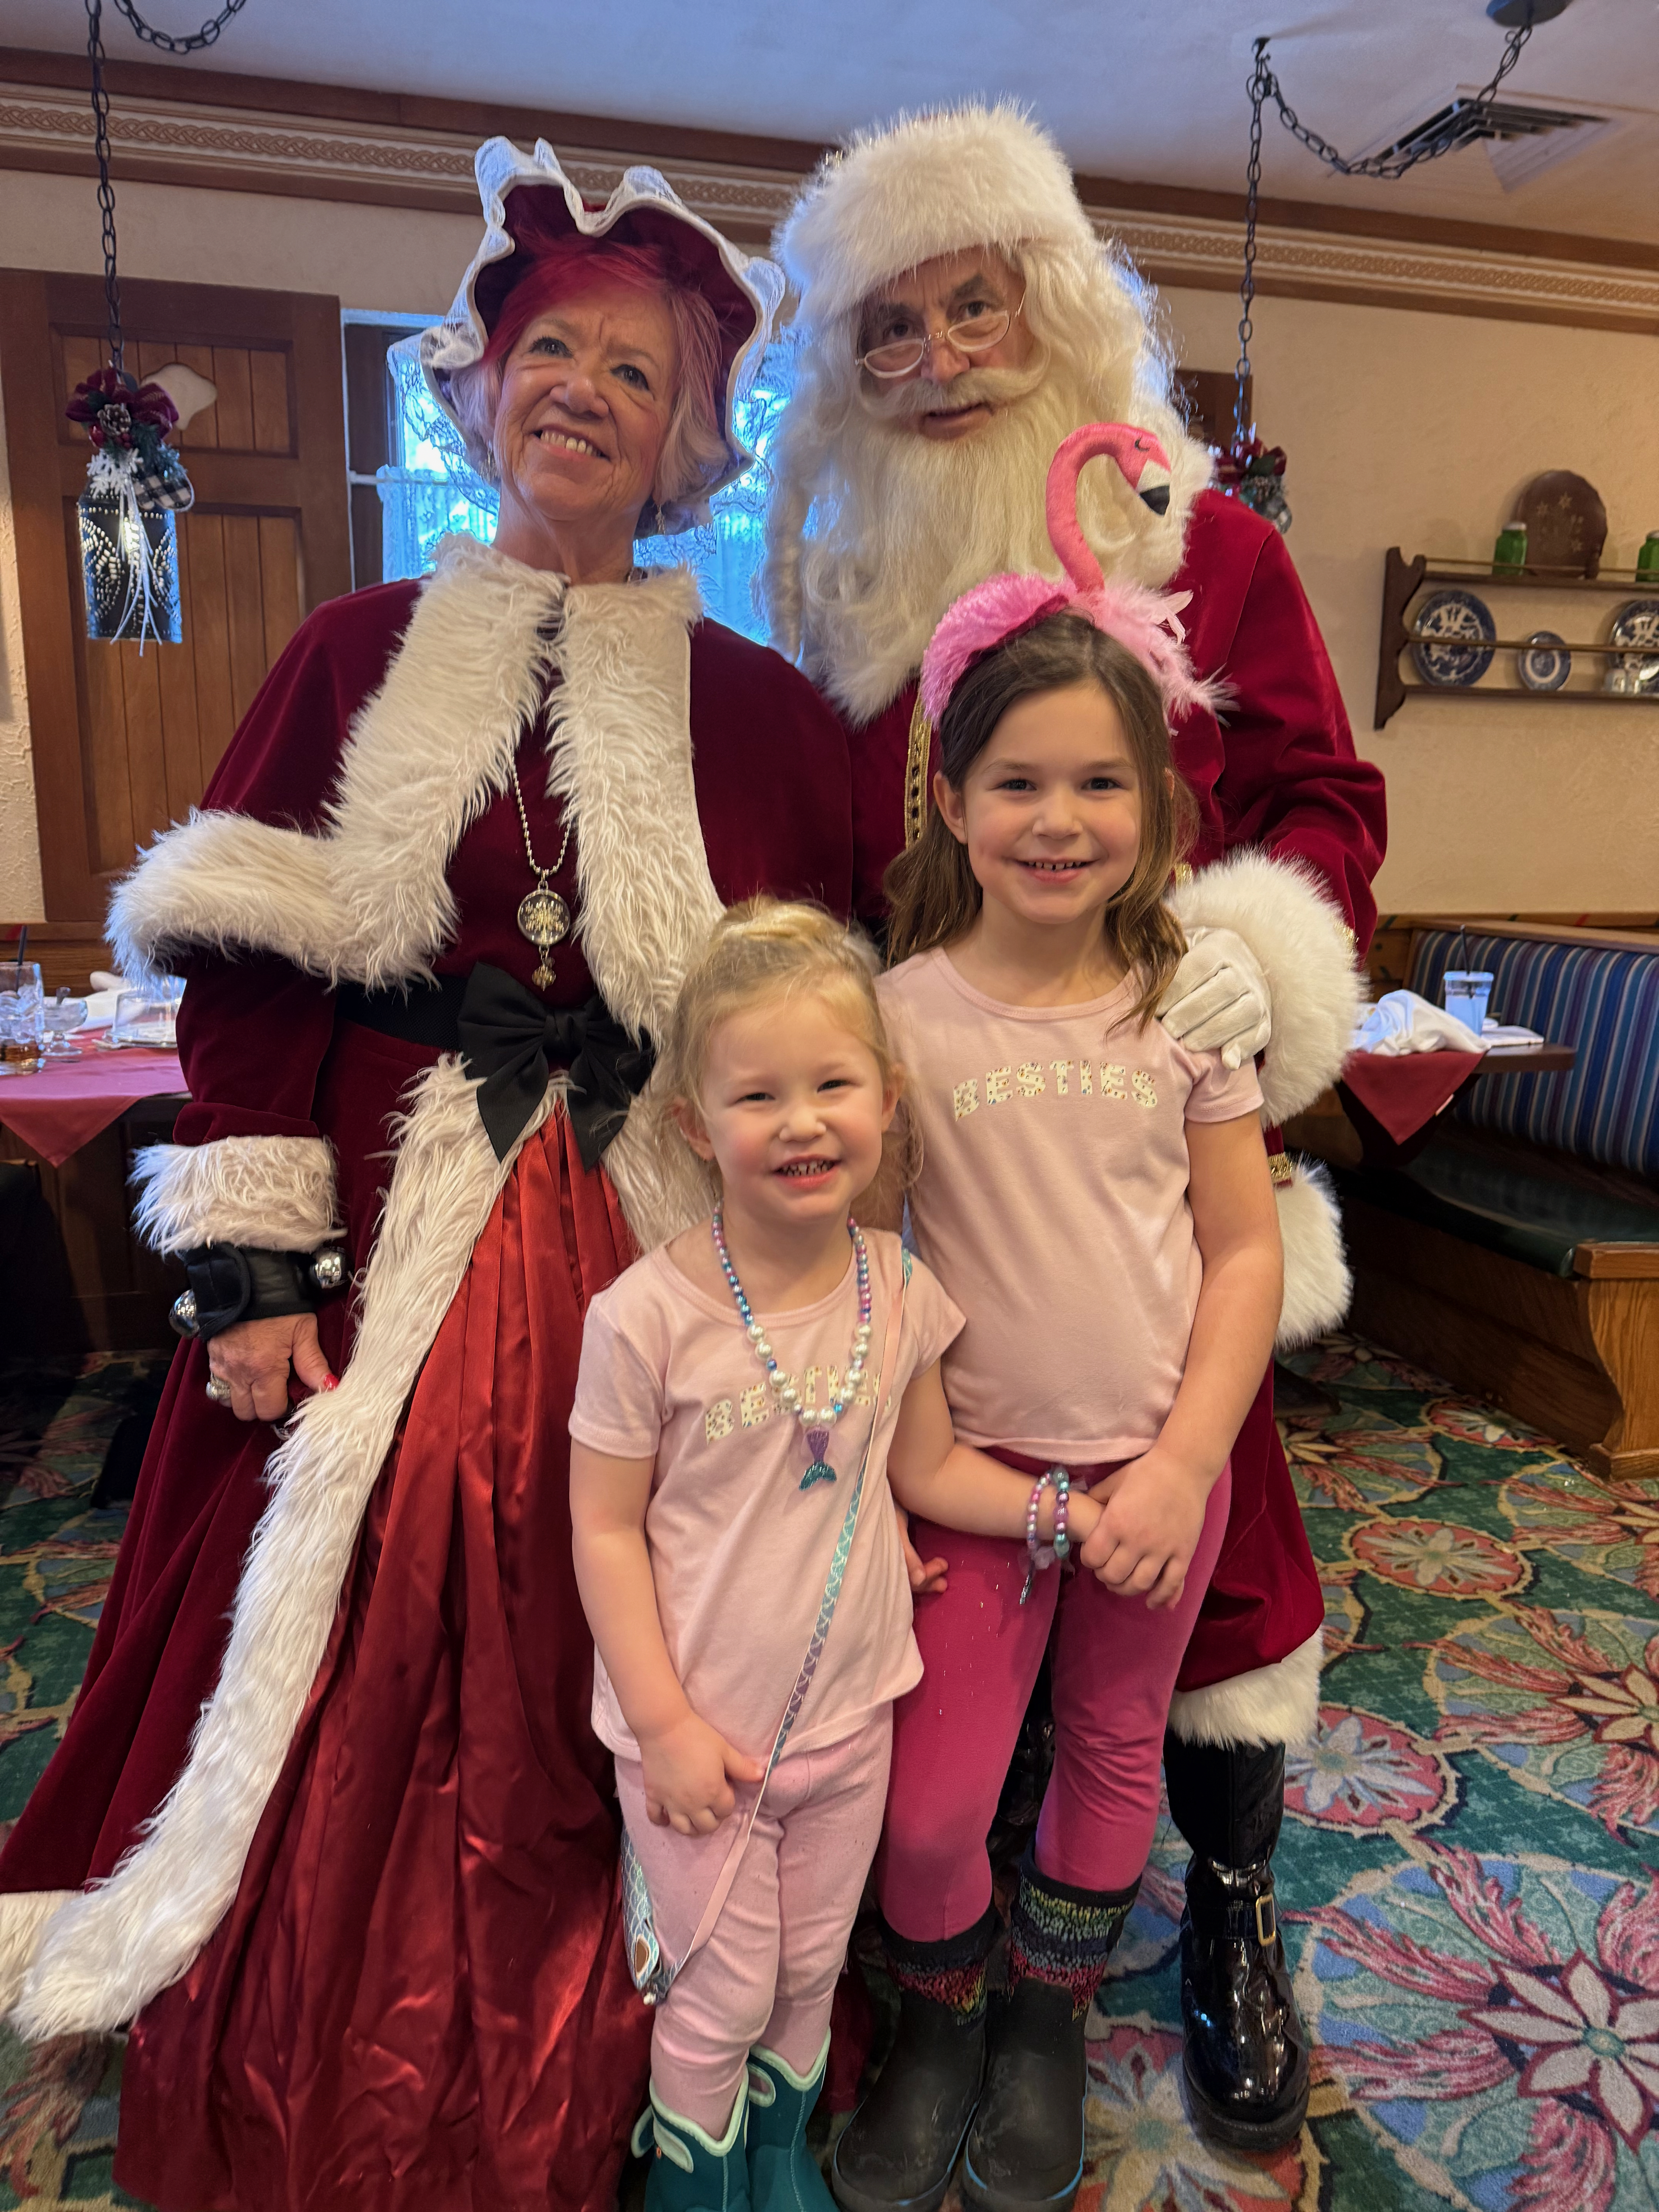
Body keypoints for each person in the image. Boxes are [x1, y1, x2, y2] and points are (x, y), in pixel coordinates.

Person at [0, 143, 854, 2212]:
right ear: (468, 394)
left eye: (630, 373)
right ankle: (291, 2016)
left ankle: (675, 2018)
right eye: (541, 347)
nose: (578, 386)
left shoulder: (760, 709)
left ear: (683, 447)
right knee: (323, 1599)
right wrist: (257, 1267)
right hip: (388, 1226)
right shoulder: (353, 646)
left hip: (648, 1230)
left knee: (663, 1599)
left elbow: (816, 1020)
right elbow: (242, 963)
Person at [765, 104, 1388, 2152]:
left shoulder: (1200, 544)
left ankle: (1220, 1914)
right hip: (923, 1195)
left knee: (1209, 1595)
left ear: (1050, 302)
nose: (938, 351)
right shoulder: (833, 605)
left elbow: (1320, 803)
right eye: (886, 327)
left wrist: (1244, 962)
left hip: (1157, 1154)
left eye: (973, 301)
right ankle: (906, 1950)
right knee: (887, 1621)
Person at [832, 427, 1282, 2212]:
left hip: (1159, 1474)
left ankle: (1045, 2019)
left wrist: (1183, 1465)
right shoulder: (901, 1015)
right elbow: (862, 1269)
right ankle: (939, 2014)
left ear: (1156, 812)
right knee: (934, 1800)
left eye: (1101, 786)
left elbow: (1241, 1256)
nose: (1058, 821)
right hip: (964, 1481)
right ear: (950, 800)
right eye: (1016, 783)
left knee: (1112, 1757)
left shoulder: (1192, 1008)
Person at [569, 900, 1116, 2210]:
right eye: (758, 1095)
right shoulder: (643, 1317)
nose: (802, 1121)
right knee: (717, 1993)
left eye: (833, 1084)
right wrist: (662, 1722)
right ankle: (694, 2191)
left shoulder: (898, 1283)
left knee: (812, 1971)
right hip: (701, 1740)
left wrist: (1052, 1512)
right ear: (699, 1128)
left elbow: (916, 1469)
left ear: (883, 1100)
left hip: (851, 1715)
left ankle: (779, 2167)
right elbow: (599, 1527)